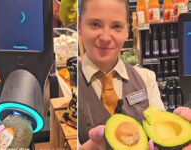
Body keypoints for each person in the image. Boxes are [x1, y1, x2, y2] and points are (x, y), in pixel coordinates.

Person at [77, 0, 191, 149]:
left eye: (116, 26)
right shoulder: (69, 87)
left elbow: (161, 137)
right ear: (79, 26)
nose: (105, 37)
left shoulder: (146, 78)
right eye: (95, 25)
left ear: (127, 31)